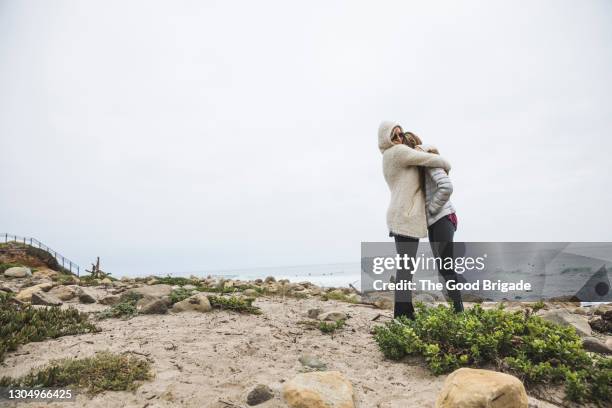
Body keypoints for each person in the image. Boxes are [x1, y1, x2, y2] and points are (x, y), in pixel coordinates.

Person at [378, 121, 451, 319]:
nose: (400, 138)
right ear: (386, 139)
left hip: (400, 215)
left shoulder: (389, 157)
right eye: (394, 135)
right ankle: (402, 316)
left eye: (401, 134)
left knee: (406, 268)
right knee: (405, 270)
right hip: (405, 216)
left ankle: (405, 314)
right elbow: (431, 160)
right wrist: (444, 162)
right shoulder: (398, 152)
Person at [404, 132, 464, 313]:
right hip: (437, 221)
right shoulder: (422, 167)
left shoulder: (428, 162)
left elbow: (446, 187)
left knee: (446, 266)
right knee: (443, 266)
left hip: (443, 217)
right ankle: (456, 309)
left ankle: (459, 310)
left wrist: (431, 209)